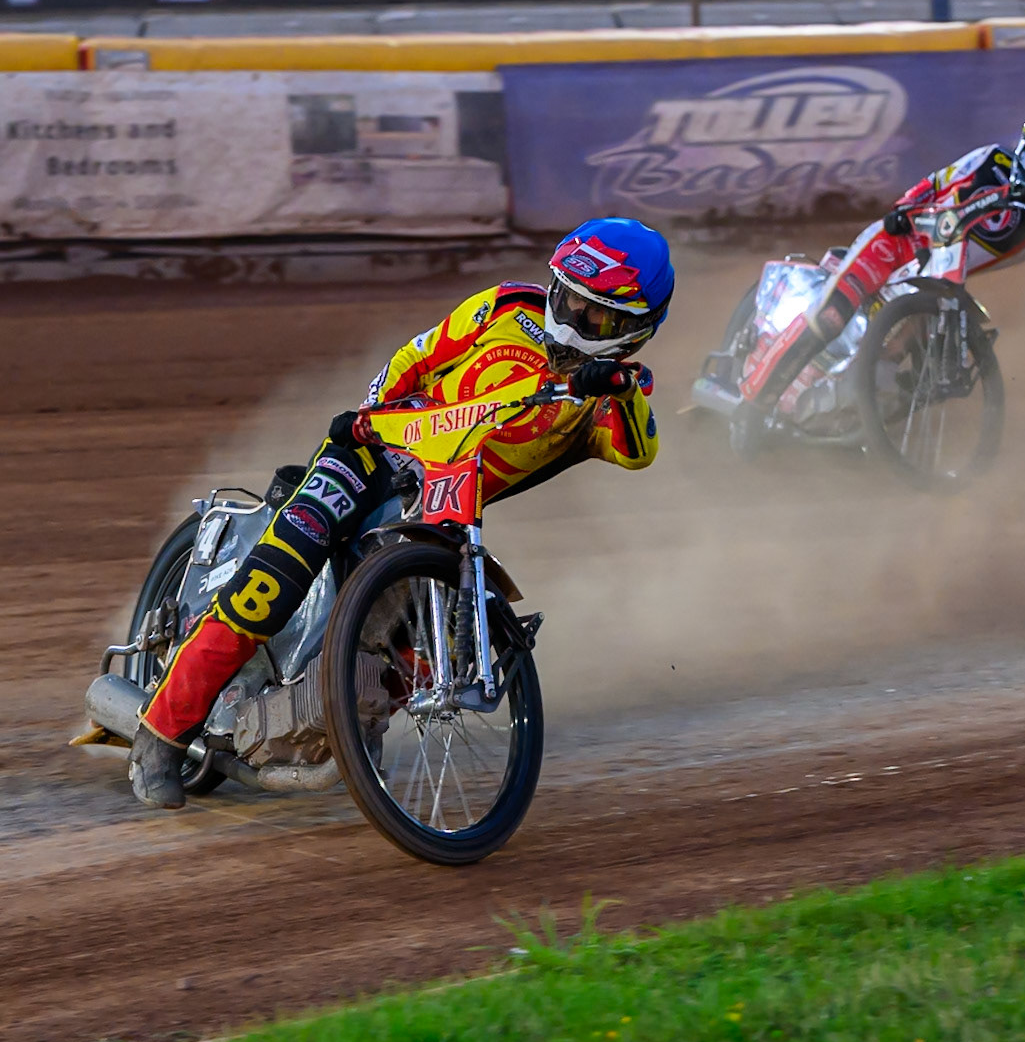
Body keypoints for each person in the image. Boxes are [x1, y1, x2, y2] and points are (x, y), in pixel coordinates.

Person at [127, 219, 676, 810]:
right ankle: (158, 735)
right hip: (371, 452)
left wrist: (618, 390)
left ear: (631, 328)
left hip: (444, 505)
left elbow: (639, 453)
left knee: (415, 646)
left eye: (588, 312)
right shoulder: (502, 307)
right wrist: (367, 412)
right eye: (563, 295)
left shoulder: (611, 398)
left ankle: (340, 715)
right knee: (270, 584)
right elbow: (418, 353)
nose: (566, 316)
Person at [729, 111, 1025, 441]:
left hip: (938, 275)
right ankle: (754, 407)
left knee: (916, 348)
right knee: (830, 315)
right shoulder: (992, 159)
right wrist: (904, 208)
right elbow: (937, 183)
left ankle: (856, 416)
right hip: (896, 241)